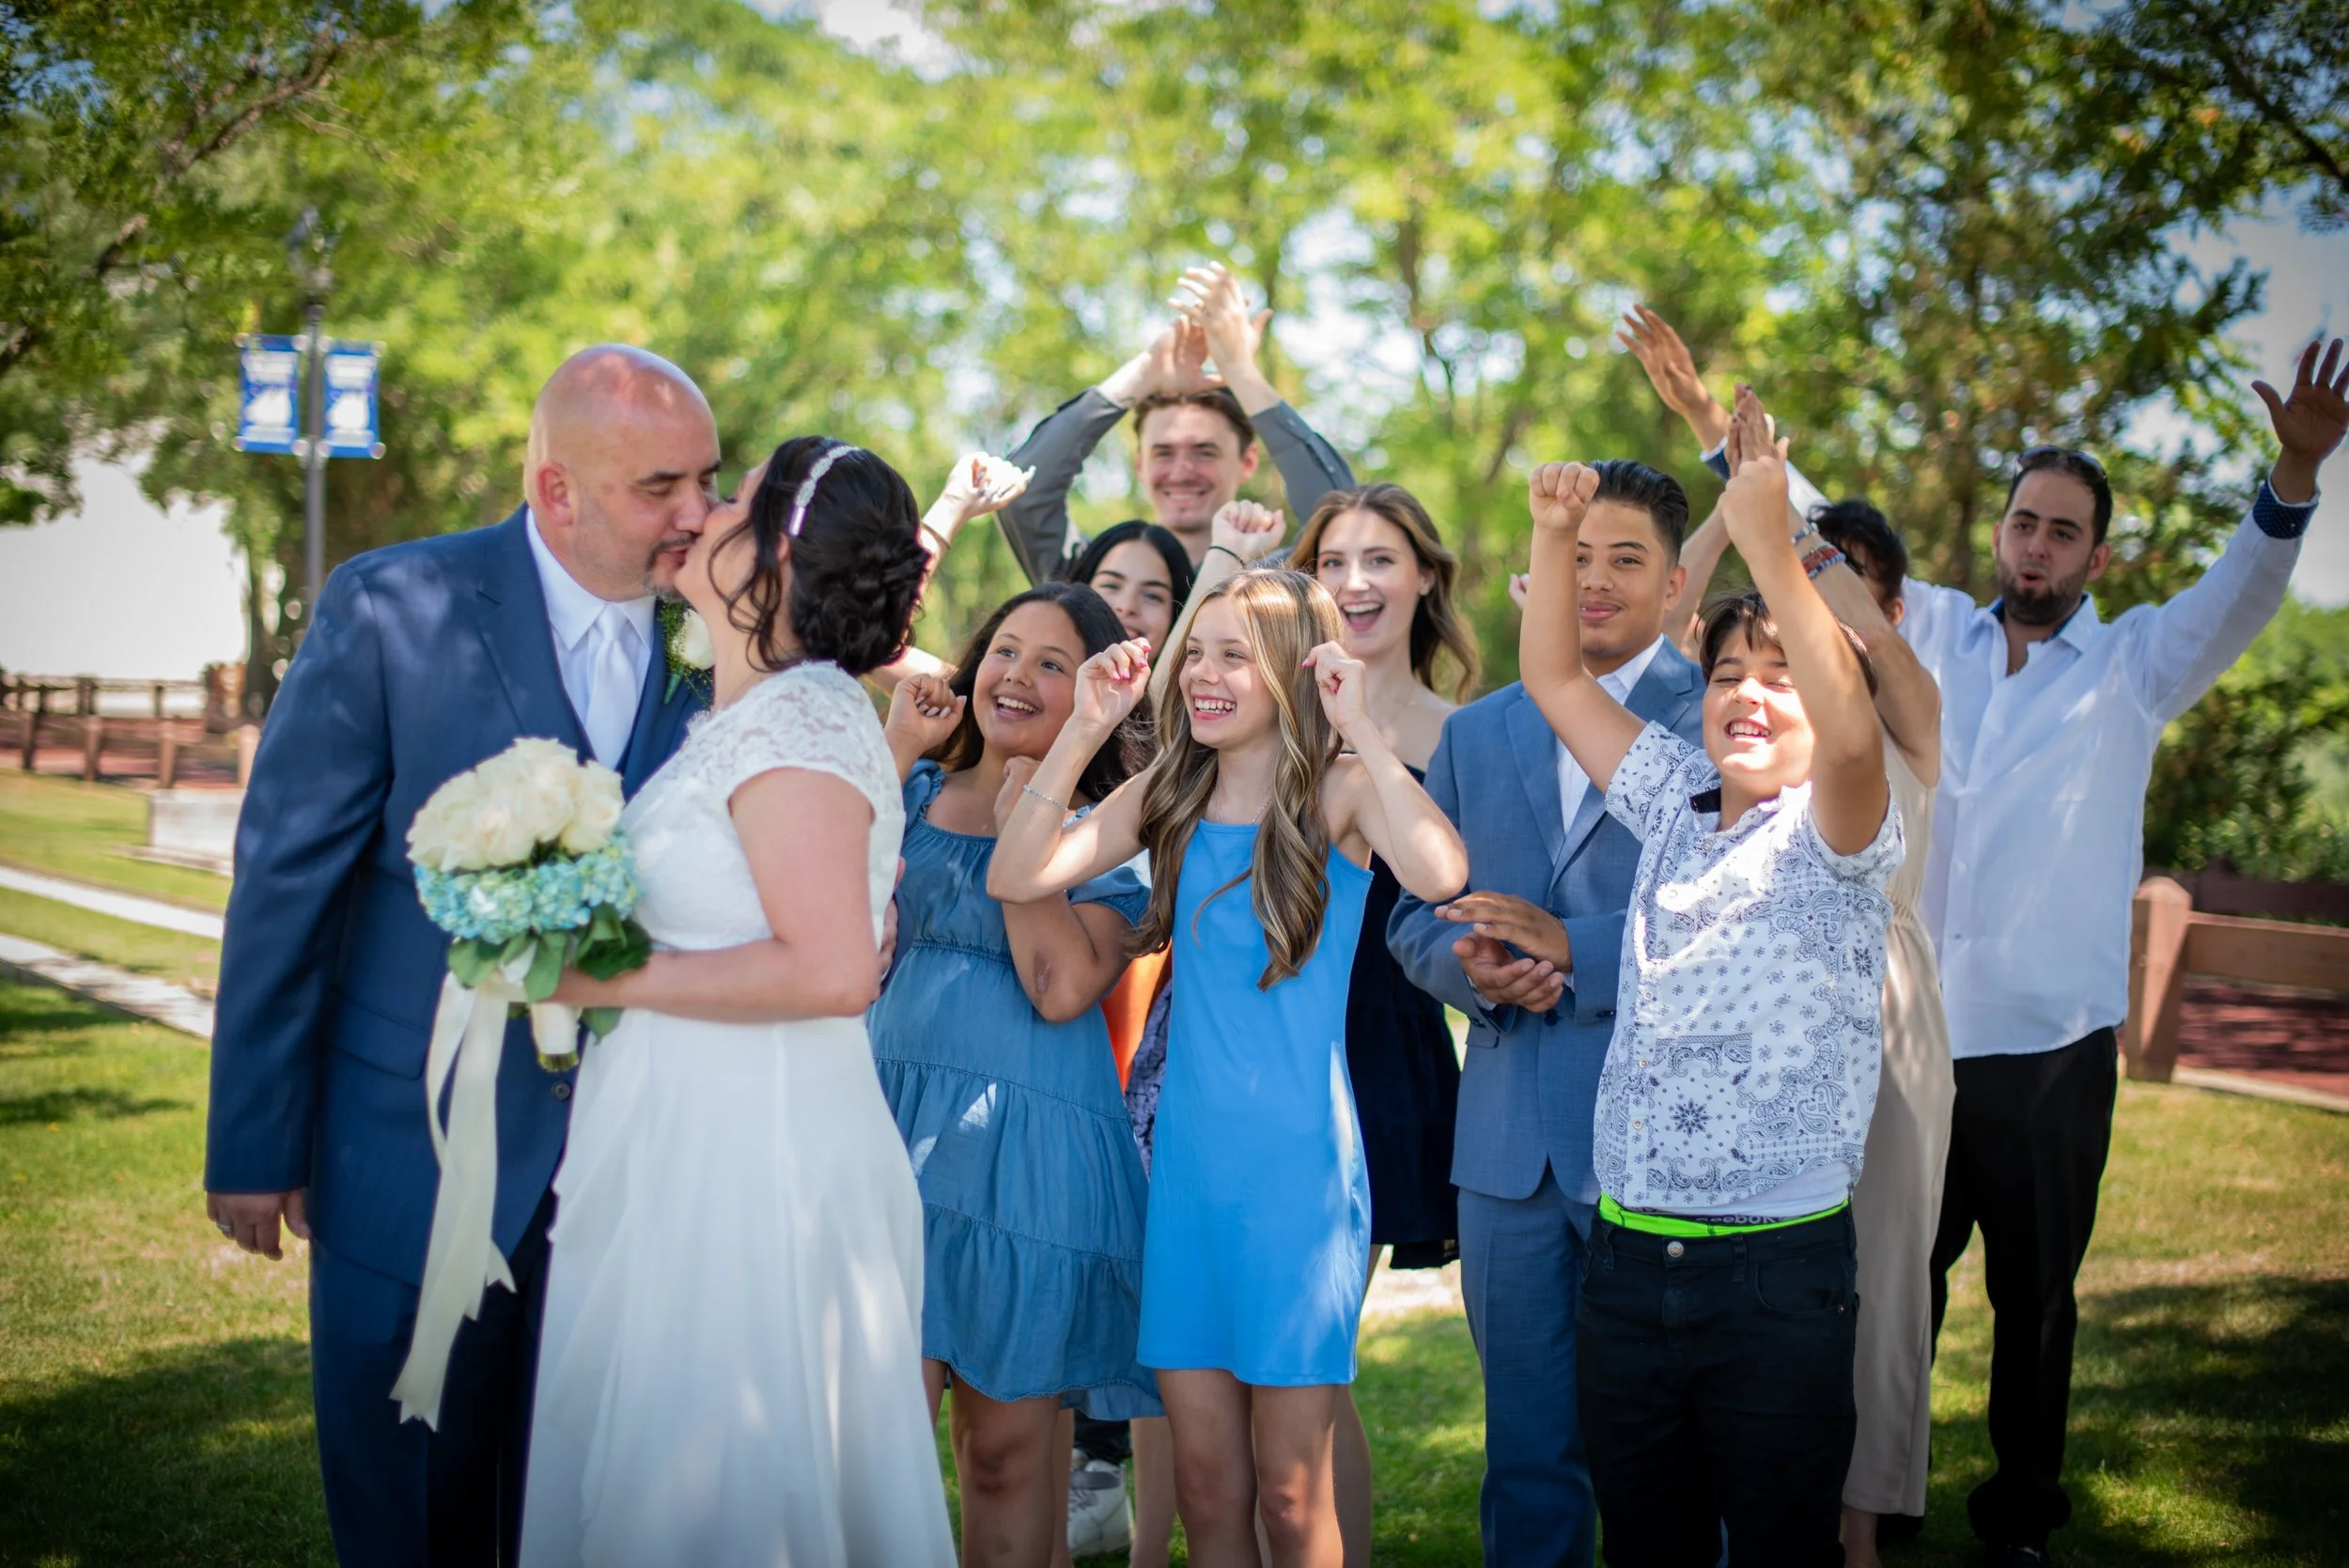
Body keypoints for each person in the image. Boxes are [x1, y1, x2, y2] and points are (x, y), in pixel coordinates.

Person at [202, 345, 719, 1566]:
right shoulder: (393, 608)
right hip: (411, 1160)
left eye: (710, 477)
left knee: (578, 1519)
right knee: (411, 1516)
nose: (699, 514)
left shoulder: (720, 647)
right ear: (557, 492)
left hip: (633, 1182)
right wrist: (254, 1139)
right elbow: (287, 877)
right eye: (663, 487)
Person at [1900, 341, 2342, 1562]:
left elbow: (2241, 593)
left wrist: (2291, 476)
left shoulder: (2138, 665)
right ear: (2000, 534)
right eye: (2022, 523)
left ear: (2097, 557)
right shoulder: (1932, 630)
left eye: (2062, 532)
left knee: (2035, 1304)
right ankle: (1880, 1498)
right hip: (1923, 1039)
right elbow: (1826, 554)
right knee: (1899, 1290)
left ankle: (2022, 1521)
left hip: (2051, 1051)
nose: (2035, 546)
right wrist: (1733, 454)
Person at [519, 436, 952, 1565]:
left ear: (776, 557)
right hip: (698, 1133)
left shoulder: (800, 722)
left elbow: (831, 970)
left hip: (757, 1159)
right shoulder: (747, 718)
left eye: (734, 497)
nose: (701, 510)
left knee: (731, 1488)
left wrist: (600, 976)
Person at [988, 570, 1468, 1568]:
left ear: (1294, 670)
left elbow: (1440, 874)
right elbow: (1018, 871)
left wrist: (1366, 730)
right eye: (1193, 652)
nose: (1201, 675)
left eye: (1231, 654)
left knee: (1293, 1498)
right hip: (1189, 1183)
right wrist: (1082, 727)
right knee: (1207, 1491)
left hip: (1298, 1185)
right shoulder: (1171, 786)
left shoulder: (1338, 792)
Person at [1518, 448, 1902, 1566]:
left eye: (1783, 678)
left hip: (1775, 1283)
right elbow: (1553, 679)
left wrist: (1768, 540)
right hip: (1630, 1269)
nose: (1750, 694)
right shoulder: (1671, 800)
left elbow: (1853, 732)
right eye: (1732, 673)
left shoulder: (1839, 831)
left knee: (1780, 1550)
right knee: (1648, 1548)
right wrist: (1552, 534)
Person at [1636, 354, 1957, 1564]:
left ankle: (1859, 1529)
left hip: (1881, 1011)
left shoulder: (1901, 715)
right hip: (1757, 1012)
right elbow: (1676, 636)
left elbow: (1852, 625)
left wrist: (1786, 523)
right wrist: (1730, 483)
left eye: (1842, 590)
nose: (1812, 613)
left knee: (1875, 1285)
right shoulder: (1749, 709)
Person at [1390, 460, 1706, 1568]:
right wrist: (1474, 967)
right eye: (1577, 554)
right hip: (1509, 1148)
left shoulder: (1723, 722)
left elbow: (1738, 916)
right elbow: (1412, 916)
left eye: (1626, 558)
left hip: (1658, 1144)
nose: (1596, 579)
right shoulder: (1477, 735)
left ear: (1675, 585)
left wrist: (1582, 953)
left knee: (1674, 1456)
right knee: (1526, 1452)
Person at [870, 581, 1160, 1568]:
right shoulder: (908, 794)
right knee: (872, 1438)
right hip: (886, 1132)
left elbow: (1060, 985)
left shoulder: (1111, 832)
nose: (1017, 676)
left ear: (1093, 695)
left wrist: (1022, 822)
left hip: (1023, 1165)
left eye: (1052, 663)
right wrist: (899, 749)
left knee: (1001, 1457)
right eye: (1004, 650)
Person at [1288, 481, 1478, 1562]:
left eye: (1380, 560)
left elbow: (1458, 897)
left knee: (1312, 1360)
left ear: (1423, 579)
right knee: (1264, 1365)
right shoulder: (1273, 707)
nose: (1355, 583)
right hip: (1261, 1039)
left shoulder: (1465, 733)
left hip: (1379, 1050)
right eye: (1332, 562)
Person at [998, 262, 1353, 582]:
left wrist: (1241, 373)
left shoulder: (1278, 585)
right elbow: (1021, 490)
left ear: (1247, 462)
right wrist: (1144, 372)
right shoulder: (1097, 581)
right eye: (1164, 453)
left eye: (1204, 452)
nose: (1182, 470)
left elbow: (1343, 514)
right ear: (1140, 465)